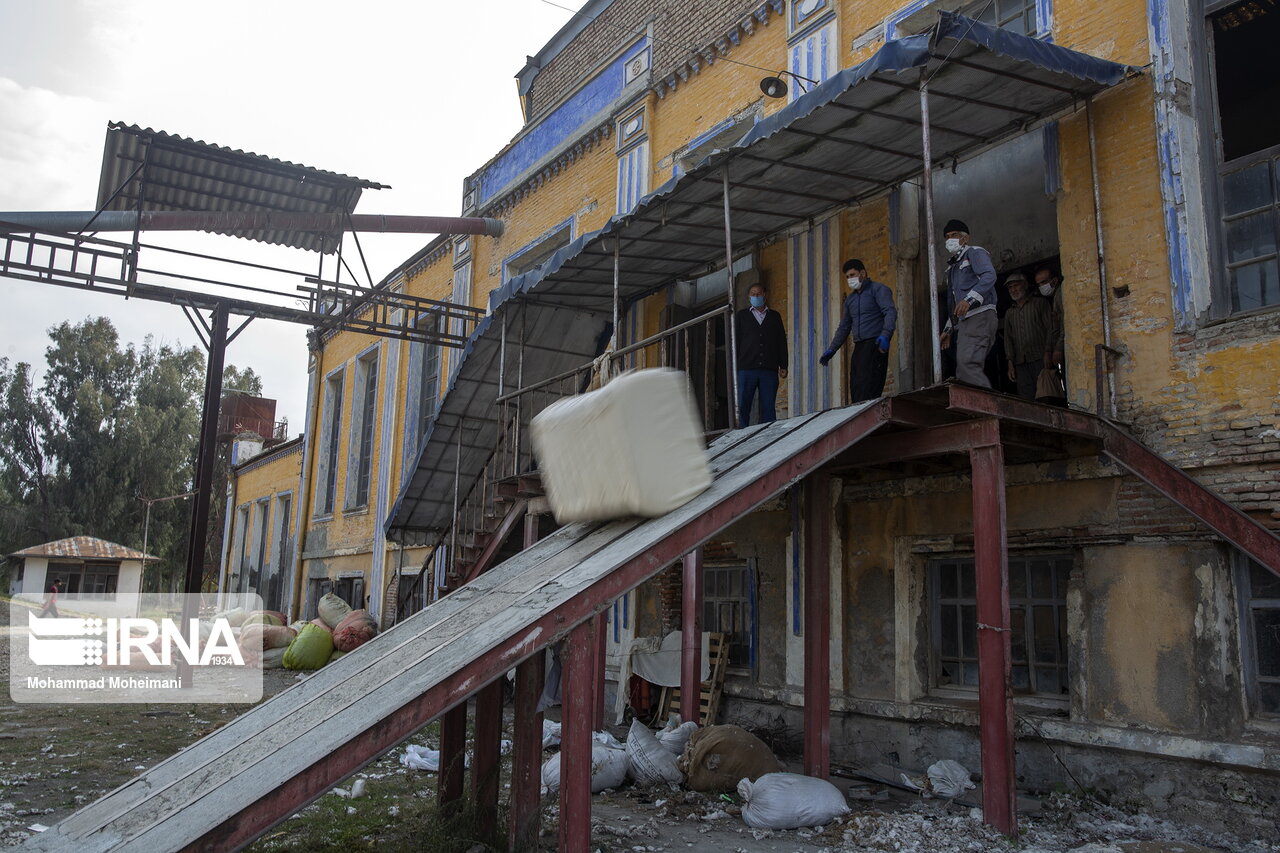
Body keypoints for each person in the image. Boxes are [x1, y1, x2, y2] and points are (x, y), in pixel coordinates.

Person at [819, 259, 897, 403]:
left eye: (852, 275)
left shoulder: (878, 290)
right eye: (847, 277)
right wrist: (832, 349)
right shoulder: (850, 300)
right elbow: (844, 327)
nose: (850, 279)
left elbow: (890, 312)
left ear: (862, 273)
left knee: (870, 386)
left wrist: (886, 335)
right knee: (856, 386)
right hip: (859, 346)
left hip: (875, 343)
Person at [938, 219, 997, 388]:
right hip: (965, 322)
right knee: (965, 368)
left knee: (968, 366)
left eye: (954, 235)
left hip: (980, 316)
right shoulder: (952, 269)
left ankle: (983, 406)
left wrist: (970, 300)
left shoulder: (975, 253)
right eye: (947, 236)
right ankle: (978, 405)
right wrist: (948, 329)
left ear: (966, 238)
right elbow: (957, 303)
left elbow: (989, 276)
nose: (950, 239)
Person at [734, 282, 788, 427]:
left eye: (758, 293)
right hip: (746, 368)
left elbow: (781, 341)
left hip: (769, 369)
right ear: (748, 296)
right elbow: (736, 341)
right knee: (743, 405)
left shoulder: (774, 316)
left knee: (769, 406)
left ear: (765, 295)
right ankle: (741, 434)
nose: (756, 296)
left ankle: (768, 432)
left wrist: (783, 365)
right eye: (753, 294)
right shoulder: (742, 316)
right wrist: (735, 365)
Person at [1002, 272, 1054, 400]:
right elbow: (1008, 339)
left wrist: (1048, 352)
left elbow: (1051, 329)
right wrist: (1010, 362)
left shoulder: (1040, 304)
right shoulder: (1010, 313)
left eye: (1016, 286)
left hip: (1040, 358)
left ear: (1025, 285)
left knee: (1046, 396)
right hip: (1021, 363)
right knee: (1026, 399)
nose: (1013, 290)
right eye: (1010, 288)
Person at [1034, 265, 1065, 371]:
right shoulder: (1055, 297)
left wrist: (1058, 348)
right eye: (1039, 284)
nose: (1041, 286)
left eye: (1043, 282)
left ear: (1054, 280)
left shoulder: (1061, 295)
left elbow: (1065, 324)